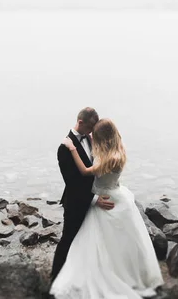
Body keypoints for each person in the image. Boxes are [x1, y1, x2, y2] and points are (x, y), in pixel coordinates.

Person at [50, 118, 164, 299]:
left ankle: (104, 275)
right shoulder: (119, 151)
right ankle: (125, 272)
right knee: (119, 243)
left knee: (97, 241)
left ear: (101, 137)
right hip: (118, 195)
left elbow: (85, 172)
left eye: (95, 135)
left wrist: (72, 149)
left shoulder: (106, 159)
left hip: (104, 198)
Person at [51, 107, 115, 281]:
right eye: (89, 127)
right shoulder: (65, 147)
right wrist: (95, 200)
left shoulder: (91, 139)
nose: (92, 131)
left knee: (89, 240)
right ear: (80, 123)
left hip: (94, 198)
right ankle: (55, 279)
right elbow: (72, 183)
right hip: (76, 203)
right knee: (68, 240)